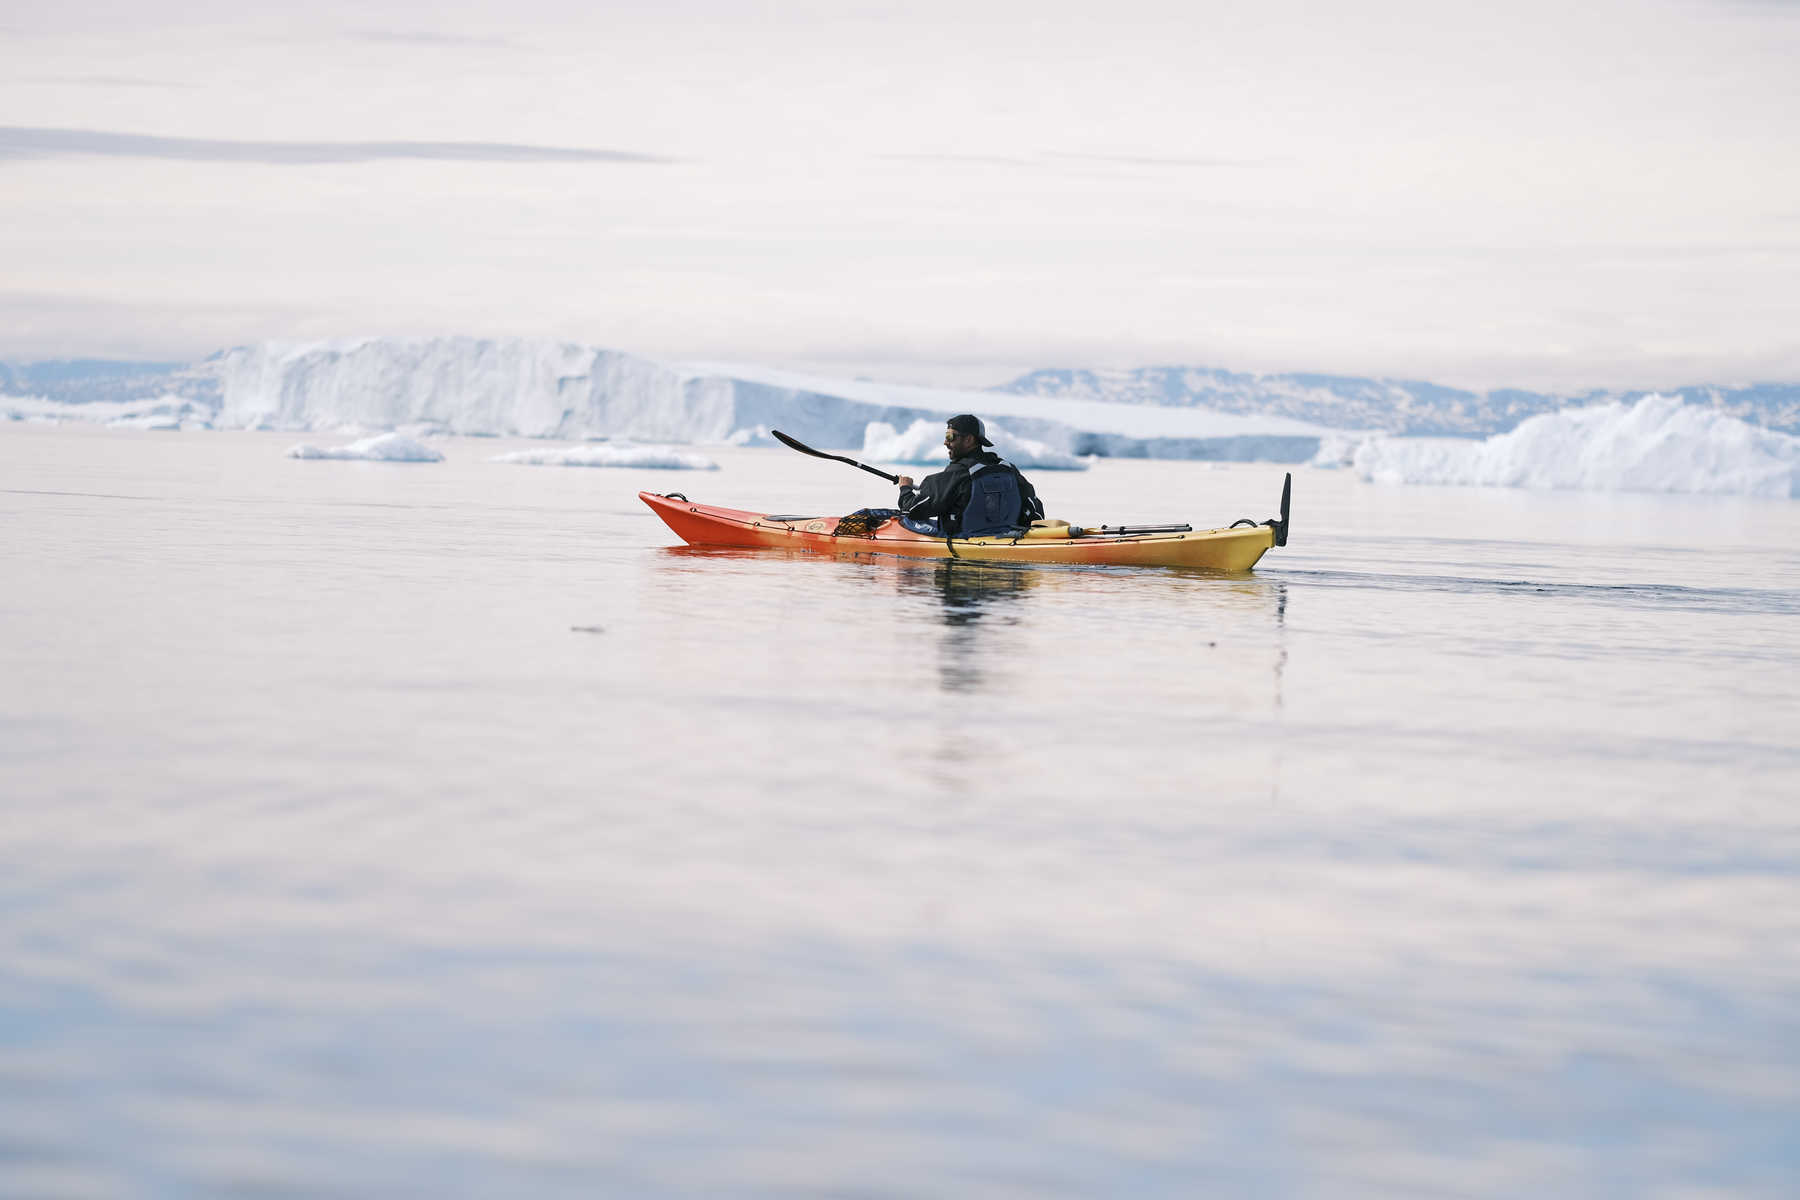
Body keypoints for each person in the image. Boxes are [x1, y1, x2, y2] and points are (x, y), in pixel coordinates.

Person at [895, 414, 1043, 537]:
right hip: (1007, 538)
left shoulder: (956, 474)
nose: (945, 442)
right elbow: (1035, 510)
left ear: (969, 440)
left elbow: (912, 510)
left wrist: (905, 488)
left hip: (964, 542)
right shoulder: (1008, 469)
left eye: (951, 436)